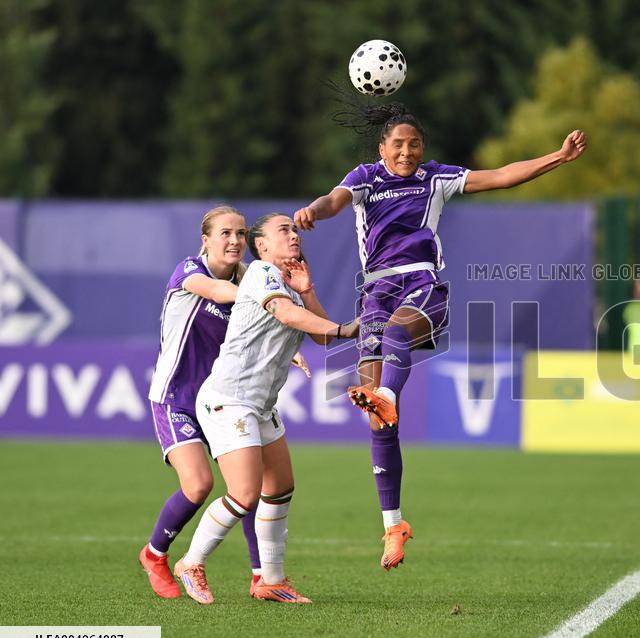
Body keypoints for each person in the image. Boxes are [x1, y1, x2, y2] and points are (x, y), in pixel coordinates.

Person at [293, 103, 587, 571]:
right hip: (375, 291)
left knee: (395, 340)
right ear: (382, 148)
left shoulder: (435, 178)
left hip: (422, 283)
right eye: (397, 144)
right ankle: (393, 525)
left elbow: (501, 176)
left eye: (414, 144)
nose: (406, 151)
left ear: (422, 148)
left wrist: (558, 156)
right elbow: (334, 200)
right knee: (378, 421)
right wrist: (313, 210)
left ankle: (388, 395)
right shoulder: (366, 178)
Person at [172, 213, 358, 604]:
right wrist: (344, 328)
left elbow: (321, 338)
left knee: (280, 488)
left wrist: (307, 291)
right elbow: (290, 317)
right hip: (229, 399)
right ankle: (190, 562)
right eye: (283, 230)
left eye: (295, 230)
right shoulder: (261, 273)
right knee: (244, 494)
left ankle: (269, 580)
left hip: (260, 404)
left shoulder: (289, 285)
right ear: (262, 245)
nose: (294, 236)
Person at [141, 206, 265, 598]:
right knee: (198, 485)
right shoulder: (190, 271)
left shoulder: (248, 279)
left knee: (249, 487)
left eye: (241, 233)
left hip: (219, 401)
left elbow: (263, 330)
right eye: (225, 233)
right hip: (175, 397)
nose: (235, 240)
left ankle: (262, 576)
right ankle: (154, 555)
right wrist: (266, 298)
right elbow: (218, 292)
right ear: (205, 240)